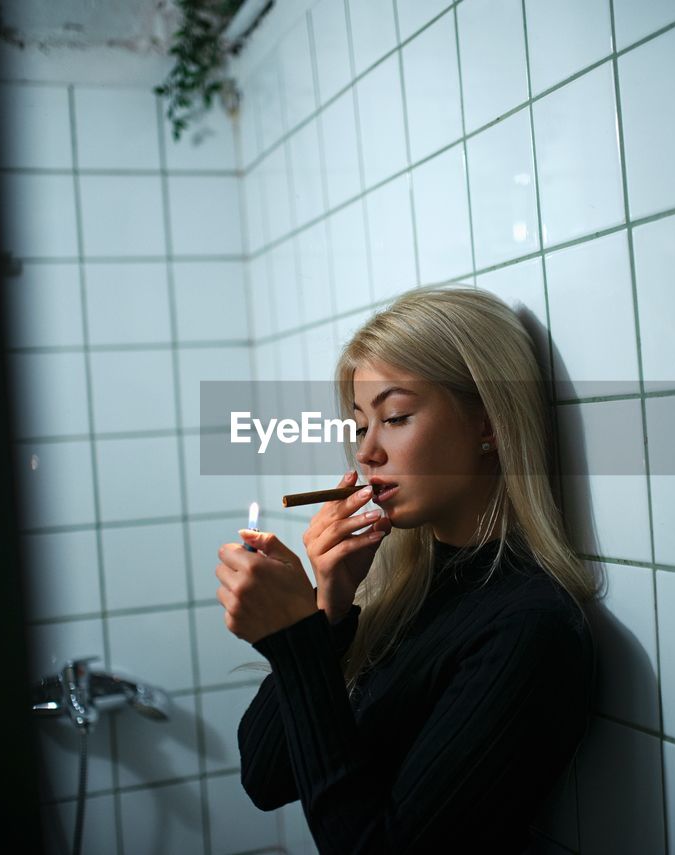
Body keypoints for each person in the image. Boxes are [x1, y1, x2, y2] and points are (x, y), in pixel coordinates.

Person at [213, 283, 601, 853]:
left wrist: (295, 638)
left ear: (489, 422)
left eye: (395, 416)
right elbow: (267, 779)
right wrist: (326, 611)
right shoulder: (406, 594)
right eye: (360, 425)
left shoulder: (529, 627)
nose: (367, 452)